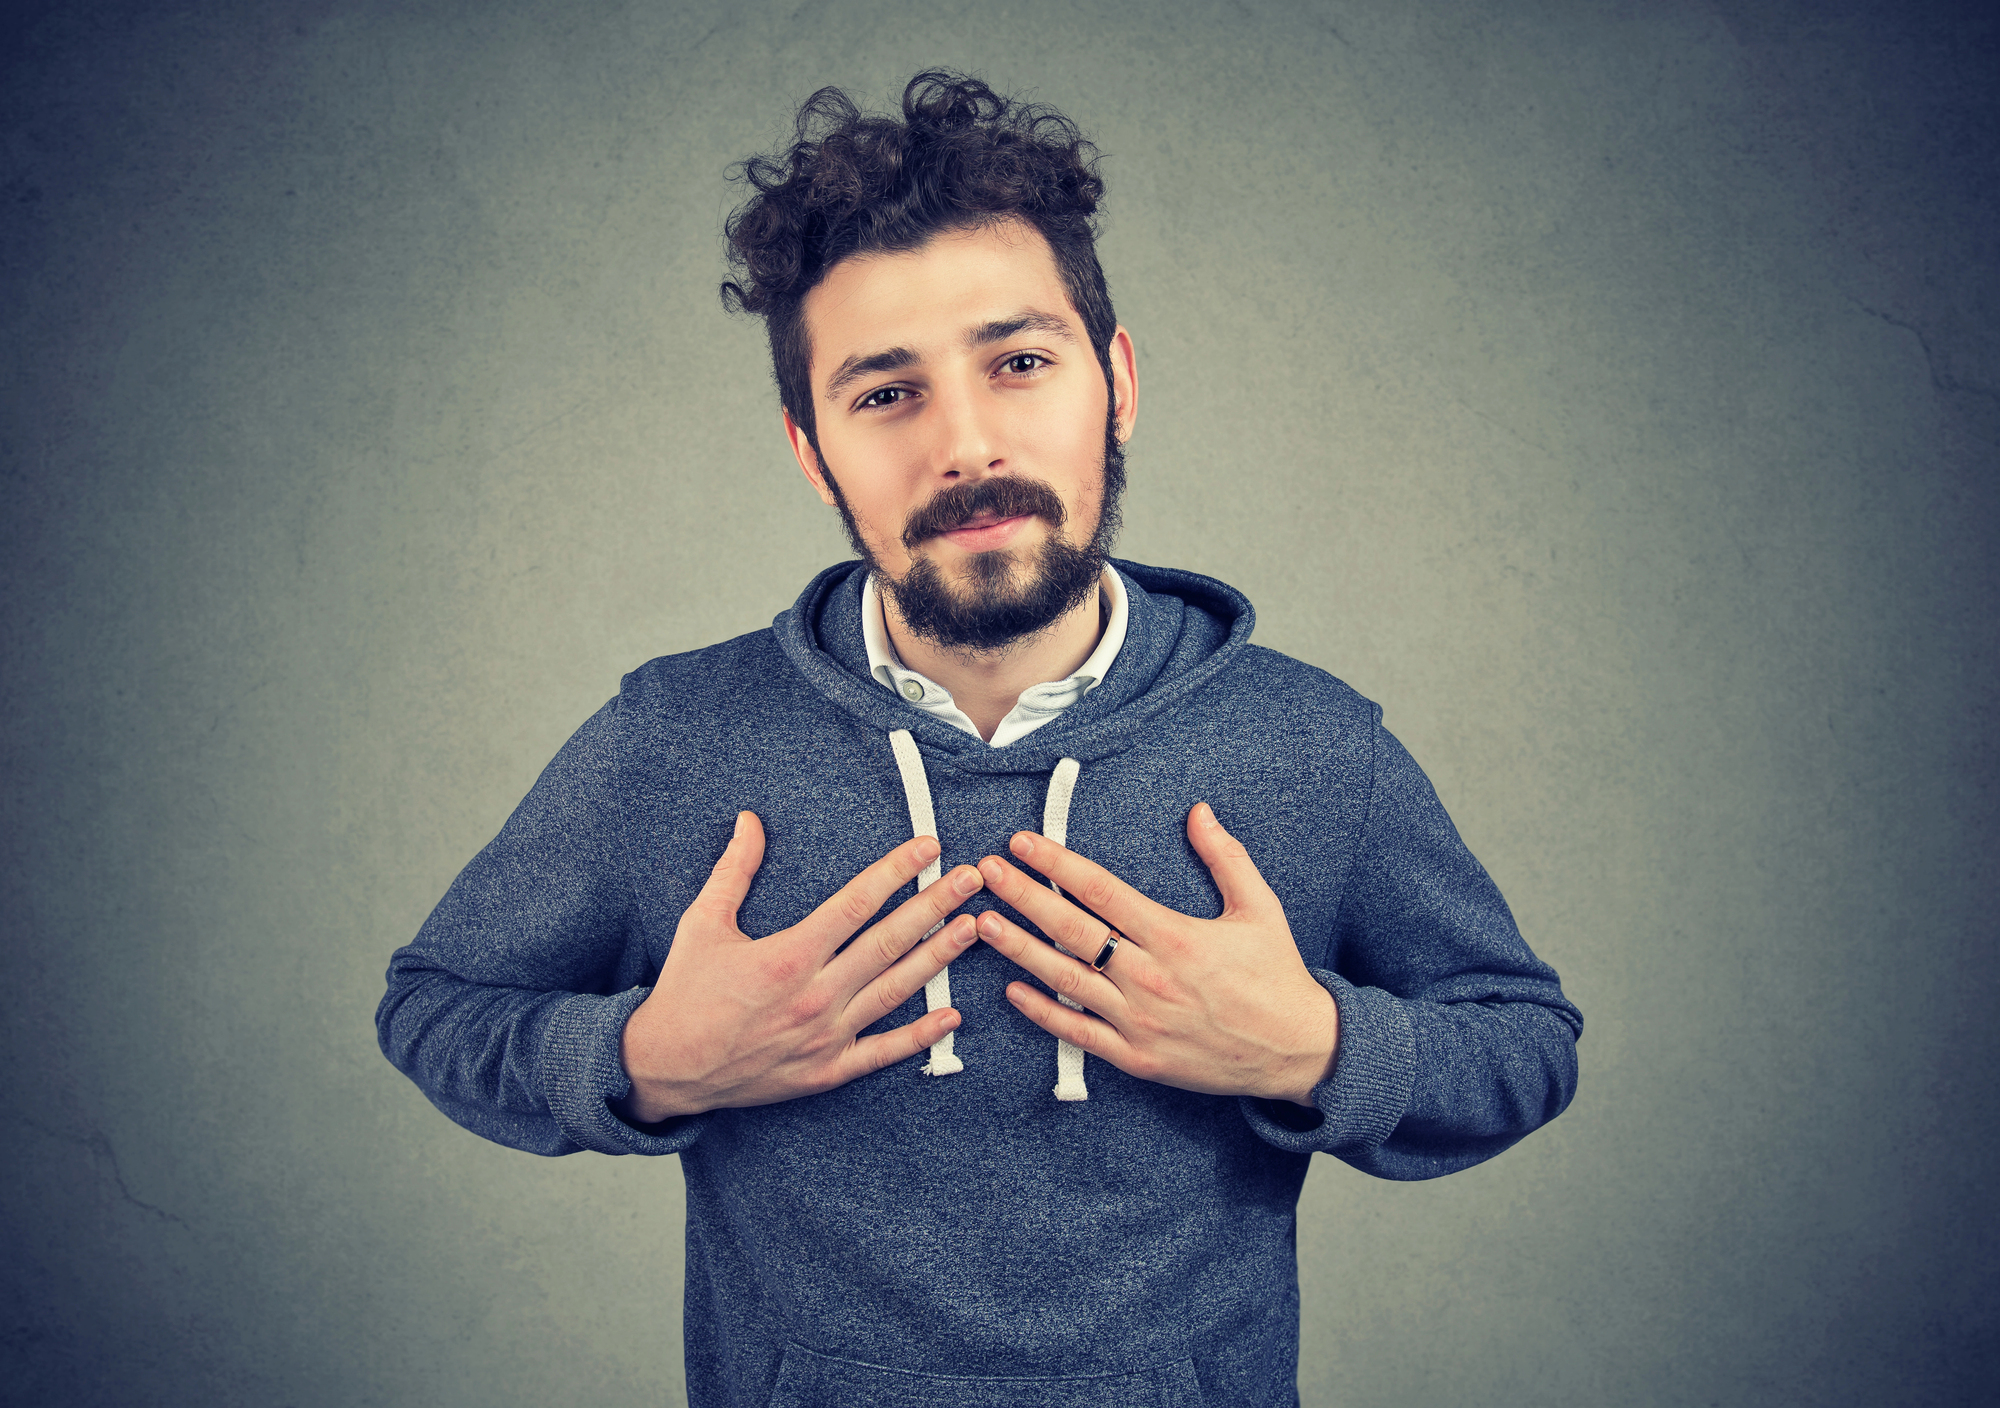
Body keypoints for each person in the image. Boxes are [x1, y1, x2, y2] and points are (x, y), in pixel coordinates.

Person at [377, 70, 1582, 1408]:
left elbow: (1522, 1046)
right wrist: (643, 1063)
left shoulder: (1308, 744)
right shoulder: (678, 737)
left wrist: (1314, 1047)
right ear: (810, 449)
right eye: (885, 395)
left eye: (1019, 362)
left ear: (1114, 379)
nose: (967, 442)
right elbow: (436, 1008)